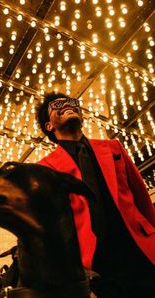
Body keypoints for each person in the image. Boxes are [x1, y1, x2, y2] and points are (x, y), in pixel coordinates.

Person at [36, 92, 155, 298]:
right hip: (98, 266)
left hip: (140, 251)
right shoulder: (44, 169)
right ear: (49, 126)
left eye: (72, 102)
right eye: (58, 104)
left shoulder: (113, 147)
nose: (68, 105)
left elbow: (142, 197)